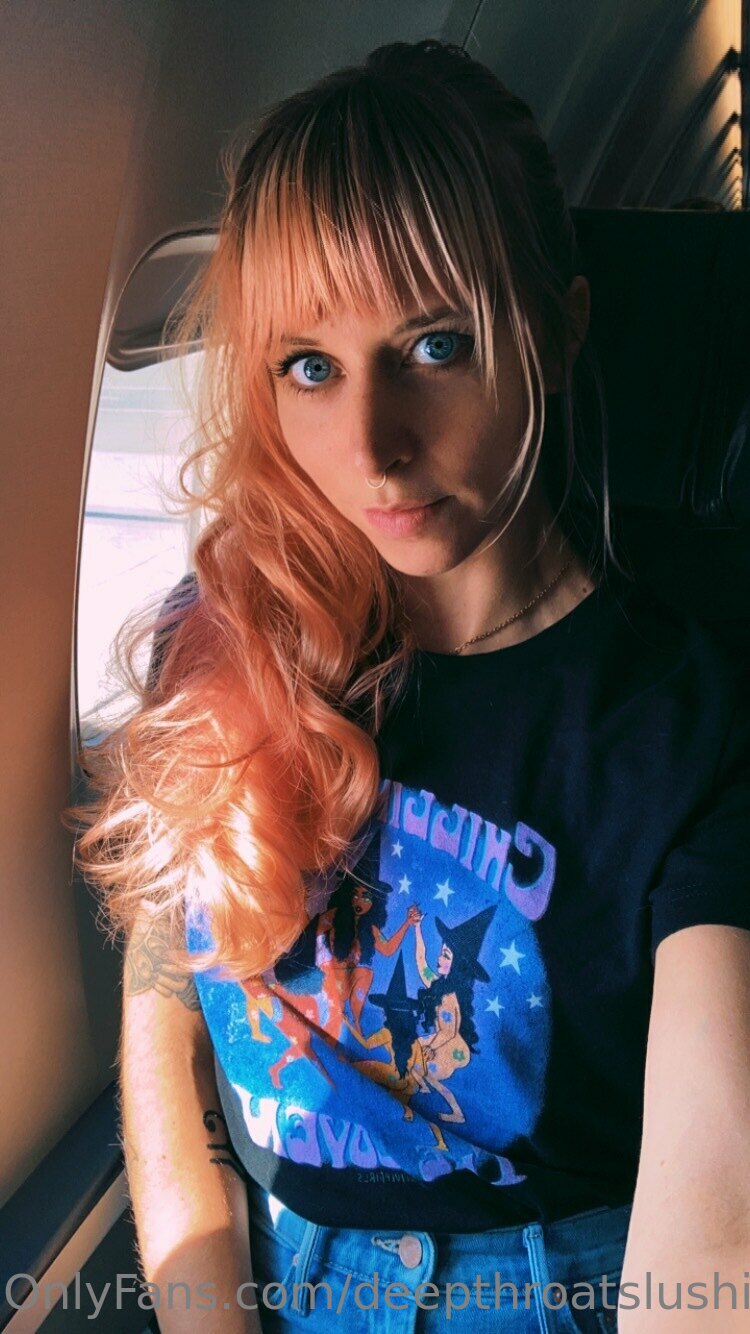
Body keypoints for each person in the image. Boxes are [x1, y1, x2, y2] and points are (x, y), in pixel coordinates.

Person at [68, 38, 750, 1333]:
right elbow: (166, 1030)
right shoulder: (220, 642)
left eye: (435, 345)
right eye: (308, 366)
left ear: (557, 330)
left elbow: (711, 1226)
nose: (372, 445)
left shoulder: (680, 725)